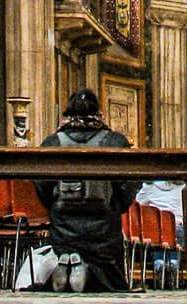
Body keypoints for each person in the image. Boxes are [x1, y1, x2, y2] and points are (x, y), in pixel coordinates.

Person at [38, 89, 135, 292]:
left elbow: (42, 187)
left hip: (64, 229)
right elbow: (128, 187)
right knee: (109, 279)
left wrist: (56, 208)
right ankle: (88, 271)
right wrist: (114, 208)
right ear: (98, 112)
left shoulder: (52, 143)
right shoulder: (115, 142)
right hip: (103, 230)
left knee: (69, 244)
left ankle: (67, 263)